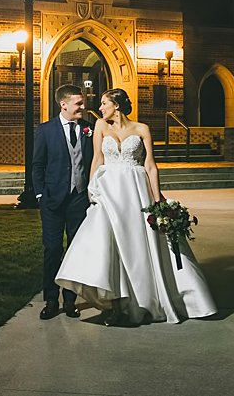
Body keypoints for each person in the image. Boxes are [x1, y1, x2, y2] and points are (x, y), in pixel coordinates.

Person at [55, 87, 218, 324]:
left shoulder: (142, 129)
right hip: (109, 192)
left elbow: (150, 165)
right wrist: (92, 189)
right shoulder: (100, 126)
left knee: (139, 245)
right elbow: (97, 159)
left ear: (117, 105)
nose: (99, 108)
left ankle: (143, 301)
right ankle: (115, 305)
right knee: (111, 245)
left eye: (104, 103)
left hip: (137, 190)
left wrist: (157, 196)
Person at [32, 85, 92, 319]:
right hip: (52, 201)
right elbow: (37, 165)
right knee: (53, 249)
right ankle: (50, 300)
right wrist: (40, 196)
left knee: (75, 250)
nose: (83, 107)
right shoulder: (46, 130)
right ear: (63, 104)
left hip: (79, 199)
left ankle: (70, 301)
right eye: (78, 103)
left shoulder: (89, 128)